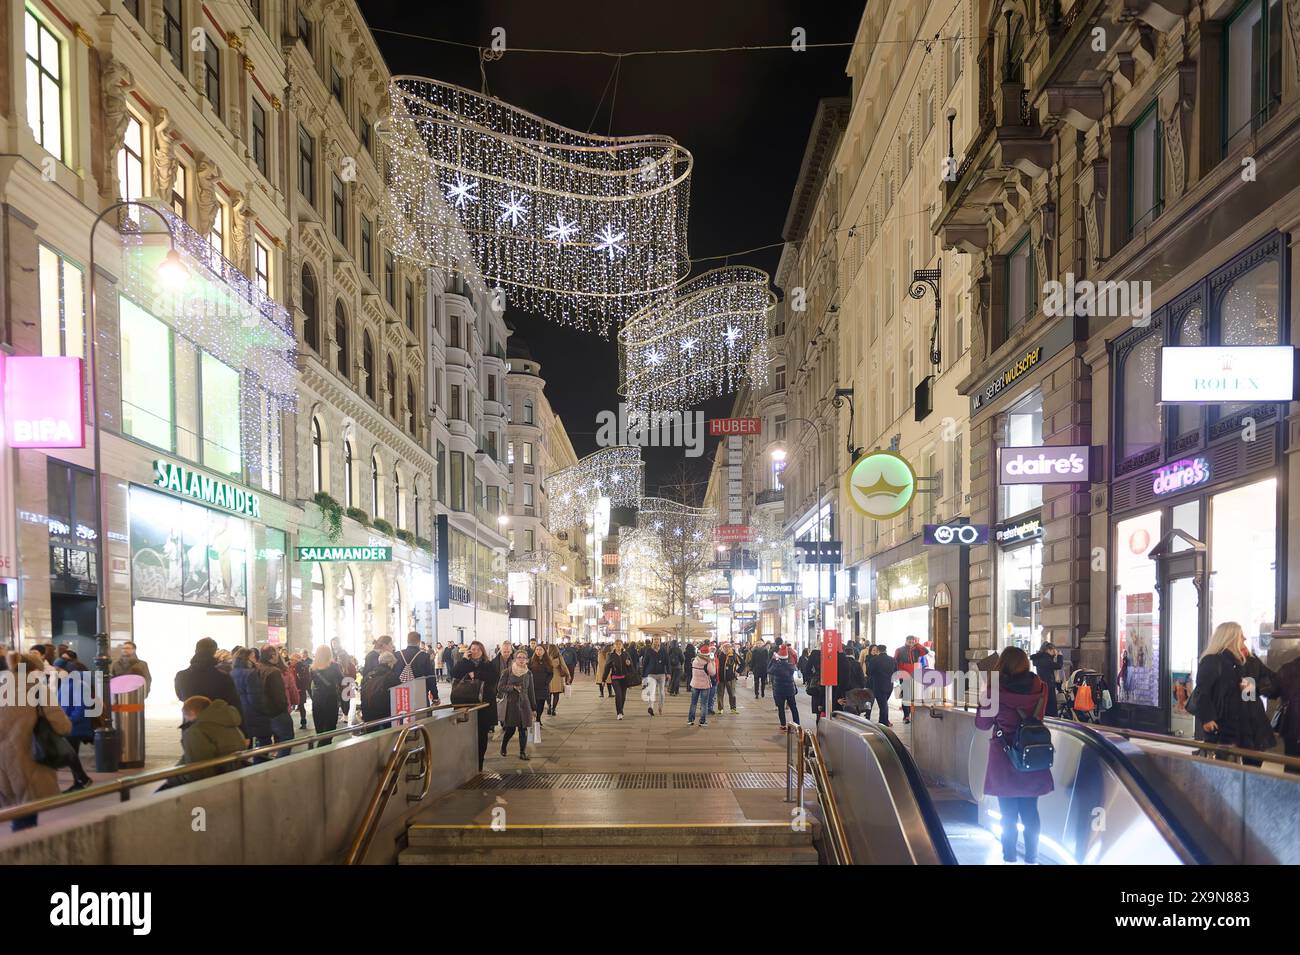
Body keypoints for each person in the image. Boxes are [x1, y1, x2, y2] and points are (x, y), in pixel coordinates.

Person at [974, 647, 1054, 864]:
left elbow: (982, 724)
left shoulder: (994, 692)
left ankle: (1009, 858)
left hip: (1004, 759)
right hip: (1032, 755)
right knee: (1031, 813)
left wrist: (985, 693)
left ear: (1003, 666)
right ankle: (1032, 858)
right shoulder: (1041, 687)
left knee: (1008, 815)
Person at [0, 651, 75, 830]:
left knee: (13, 810)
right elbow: (62, 726)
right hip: (28, 763)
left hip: (3, 765)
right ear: (33, 670)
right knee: (26, 817)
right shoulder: (38, 690)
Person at [1194, 621, 1270, 763]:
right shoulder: (1212, 661)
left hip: (1247, 727)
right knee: (1225, 768)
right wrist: (1207, 718)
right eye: (1241, 636)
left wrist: (1251, 688)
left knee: (1251, 767)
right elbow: (1202, 692)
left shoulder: (1245, 661)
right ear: (1231, 638)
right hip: (1223, 727)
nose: (1245, 639)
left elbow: (1248, 695)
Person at [158, 696, 246, 790]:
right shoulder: (229, 723)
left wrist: (173, 777)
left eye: (185, 715)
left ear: (192, 713)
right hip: (233, 774)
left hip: (213, 783)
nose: (185, 719)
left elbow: (198, 772)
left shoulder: (196, 731)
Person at [451, 642, 499, 771]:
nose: (475, 651)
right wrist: (464, 660)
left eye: (478, 649)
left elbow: (494, 677)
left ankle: (479, 762)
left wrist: (476, 675)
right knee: (465, 734)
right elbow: (454, 673)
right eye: (473, 649)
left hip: (483, 704)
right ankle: (466, 762)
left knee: (482, 734)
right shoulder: (465, 663)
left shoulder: (488, 664)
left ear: (482, 651)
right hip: (465, 702)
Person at [50, 658, 94, 791]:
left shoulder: (79, 684)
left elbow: (81, 707)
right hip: (68, 725)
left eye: (58, 670)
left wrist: (69, 720)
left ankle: (83, 779)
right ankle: (80, 781)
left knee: (70, 754)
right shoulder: (64, 683)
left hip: (75, 726)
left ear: (66, 670)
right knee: (71, 754)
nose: (56, 673)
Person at [496, 650, 535, 760]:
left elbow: (531, 691)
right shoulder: (507, 671)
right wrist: (512, 688)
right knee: (510, 729)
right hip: (511, 704)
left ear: (527, 660)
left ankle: (522, 752)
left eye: (523, 658)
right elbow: (500, 687)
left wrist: (534, 707)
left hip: (524, 703)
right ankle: (503, 746)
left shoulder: (528, 673)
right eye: (519, 657)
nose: (521, 660)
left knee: (523, 729)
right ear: (515, 659)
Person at [257, 646, 295, 753]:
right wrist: (284, 707)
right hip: (277, 712)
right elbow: (279, 696)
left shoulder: (258, 668)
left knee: (263, 744)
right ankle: (280, 764)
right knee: (287, 739)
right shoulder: (274, 672)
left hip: (263, 711)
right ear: (272, 655)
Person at [308, 644, 345, 744]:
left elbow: (310, 684)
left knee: (319, 726)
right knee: (330, 726)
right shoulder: (334, 666)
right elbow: (342, 681)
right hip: (330, 698)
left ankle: (322, 746)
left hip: (317, 699)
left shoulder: (312, 668)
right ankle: (324, 748)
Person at [395, 631, 440, 707]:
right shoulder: (424, 656)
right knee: (422, 716)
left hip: (401, 695)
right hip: (420, 693)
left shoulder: (397, 655)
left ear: (407, 640)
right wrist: (435, 696)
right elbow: (430, 677)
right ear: (419, 642)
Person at [360, 651, 401, 730]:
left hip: (368, 712)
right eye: (393, 664)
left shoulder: (368, 675)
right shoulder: (391, 677)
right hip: (385, 715)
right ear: (389, 663)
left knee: (371, 737)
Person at [893, 635, 929, 723]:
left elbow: (925, 651)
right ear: (906, 641)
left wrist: (917, 644)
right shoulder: (899, 650)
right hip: (904, 675)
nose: (911, 643)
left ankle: (913, 714)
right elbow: (895, 661)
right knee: (906, 696)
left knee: (915, 695)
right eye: (910, 641)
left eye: (913, 641)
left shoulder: (917, 649)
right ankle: (906, 716)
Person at [769, 642, 800, 728]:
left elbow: (769, 670)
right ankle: (797, 723)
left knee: (781, 708)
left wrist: (773, 660)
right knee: (793, 707)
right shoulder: (791, 667)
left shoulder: (776, 667)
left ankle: (783, 725)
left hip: (779, 690)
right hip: (790, 689)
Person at [604, 639, 636, 720]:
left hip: (624, 678)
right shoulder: (611, 655)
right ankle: (619, 713)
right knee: (618, 695)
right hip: (615, 678)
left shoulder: (626, 654)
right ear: (614, 645)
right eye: (617, 644)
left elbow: (631, 667)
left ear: (622, 645)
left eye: (619, 644)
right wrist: (603, 679)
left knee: (623, 697)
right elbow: (607, 668)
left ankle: (621, 710)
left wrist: (629, 665)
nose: (618, 646)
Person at [1030, 642, 1063, 717]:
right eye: (1053, 650)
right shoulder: (1045, 659)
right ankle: (1051, 721)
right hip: (1048, 685)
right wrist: (1060, 656)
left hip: (1043, 684)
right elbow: (1058, 666)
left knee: (1045, 704)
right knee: (1051, 706)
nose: (1055, 652)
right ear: (1048, 650)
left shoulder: (1041, 658)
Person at [687, 643, 716, 726]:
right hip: (705, 685)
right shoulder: (708, 662)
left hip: (695, 684)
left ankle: (690, 720)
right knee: (704, 704)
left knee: (693, 703)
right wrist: (713, 662)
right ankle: (702, 721)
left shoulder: (695, 660)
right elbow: (713, 673)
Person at [868, 646, 897, 725]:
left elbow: (869, 672)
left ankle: (883, 723)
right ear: (885, 650)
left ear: (878, 651)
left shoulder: (874, 660)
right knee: (883, 704)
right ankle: (883, 722)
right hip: (889, 685)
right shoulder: (892, 659)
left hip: (878, 685)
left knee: (883, 705)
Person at [641, 636, 668, 716]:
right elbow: (645, 663)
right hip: (651, 674)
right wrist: (643, 675)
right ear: (652, 641)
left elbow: (667, 662)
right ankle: (651, 707)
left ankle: (660, 707)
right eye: (655, 639)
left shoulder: (663, 650)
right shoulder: (648, 650)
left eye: (658, 639)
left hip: (661, 674)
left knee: (661, 692)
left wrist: (669, 672)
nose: (656, 640)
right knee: (651, 691)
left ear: (660, 641)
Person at [527, 644, 552, 725]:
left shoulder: (548, 661)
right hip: (533, 686)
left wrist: (546, 682)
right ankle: (535, 718)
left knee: (541, 704)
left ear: (544, 651)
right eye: (537, 649)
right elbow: (528, 672)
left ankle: (538, 719)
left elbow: (551, 673)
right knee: (535, 704)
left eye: (540, 650)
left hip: (543, 687)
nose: (538, 651)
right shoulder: (531, 661)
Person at [545, 644, 570, 717]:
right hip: (557, 677)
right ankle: (554, 709)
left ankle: (549, 707)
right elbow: (564, 666)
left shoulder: (546, 657)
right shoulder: (559, 657)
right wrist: (568, 675)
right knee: (556, 694)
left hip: (548, 677)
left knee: (548, 694)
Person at [717, 643, 740, 715]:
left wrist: (737, 672)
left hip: (731, 678)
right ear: (722, 648)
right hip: (720, 678)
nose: (726, 648)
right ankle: (720, 709)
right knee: (720, 694)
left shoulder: (734, 655)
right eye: (725, 647)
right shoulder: (719, 655)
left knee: (732, 694)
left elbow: (742, 663)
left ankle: (733, 708)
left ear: (730, 648)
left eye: (728, 647)